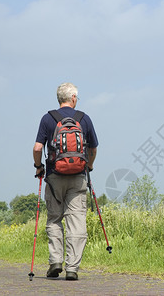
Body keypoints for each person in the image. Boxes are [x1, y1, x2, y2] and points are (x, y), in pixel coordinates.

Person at [33, 82, 98, 280]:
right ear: (73, 98)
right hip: (78, 177)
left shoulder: (48, 118)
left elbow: (37, 148)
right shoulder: (83, 119)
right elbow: (93, 149)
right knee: (76, 221)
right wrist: (89, 166)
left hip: (54, 177)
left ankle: (55, 262)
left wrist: (39, 167)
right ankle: (72, 268)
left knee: (54, 218)